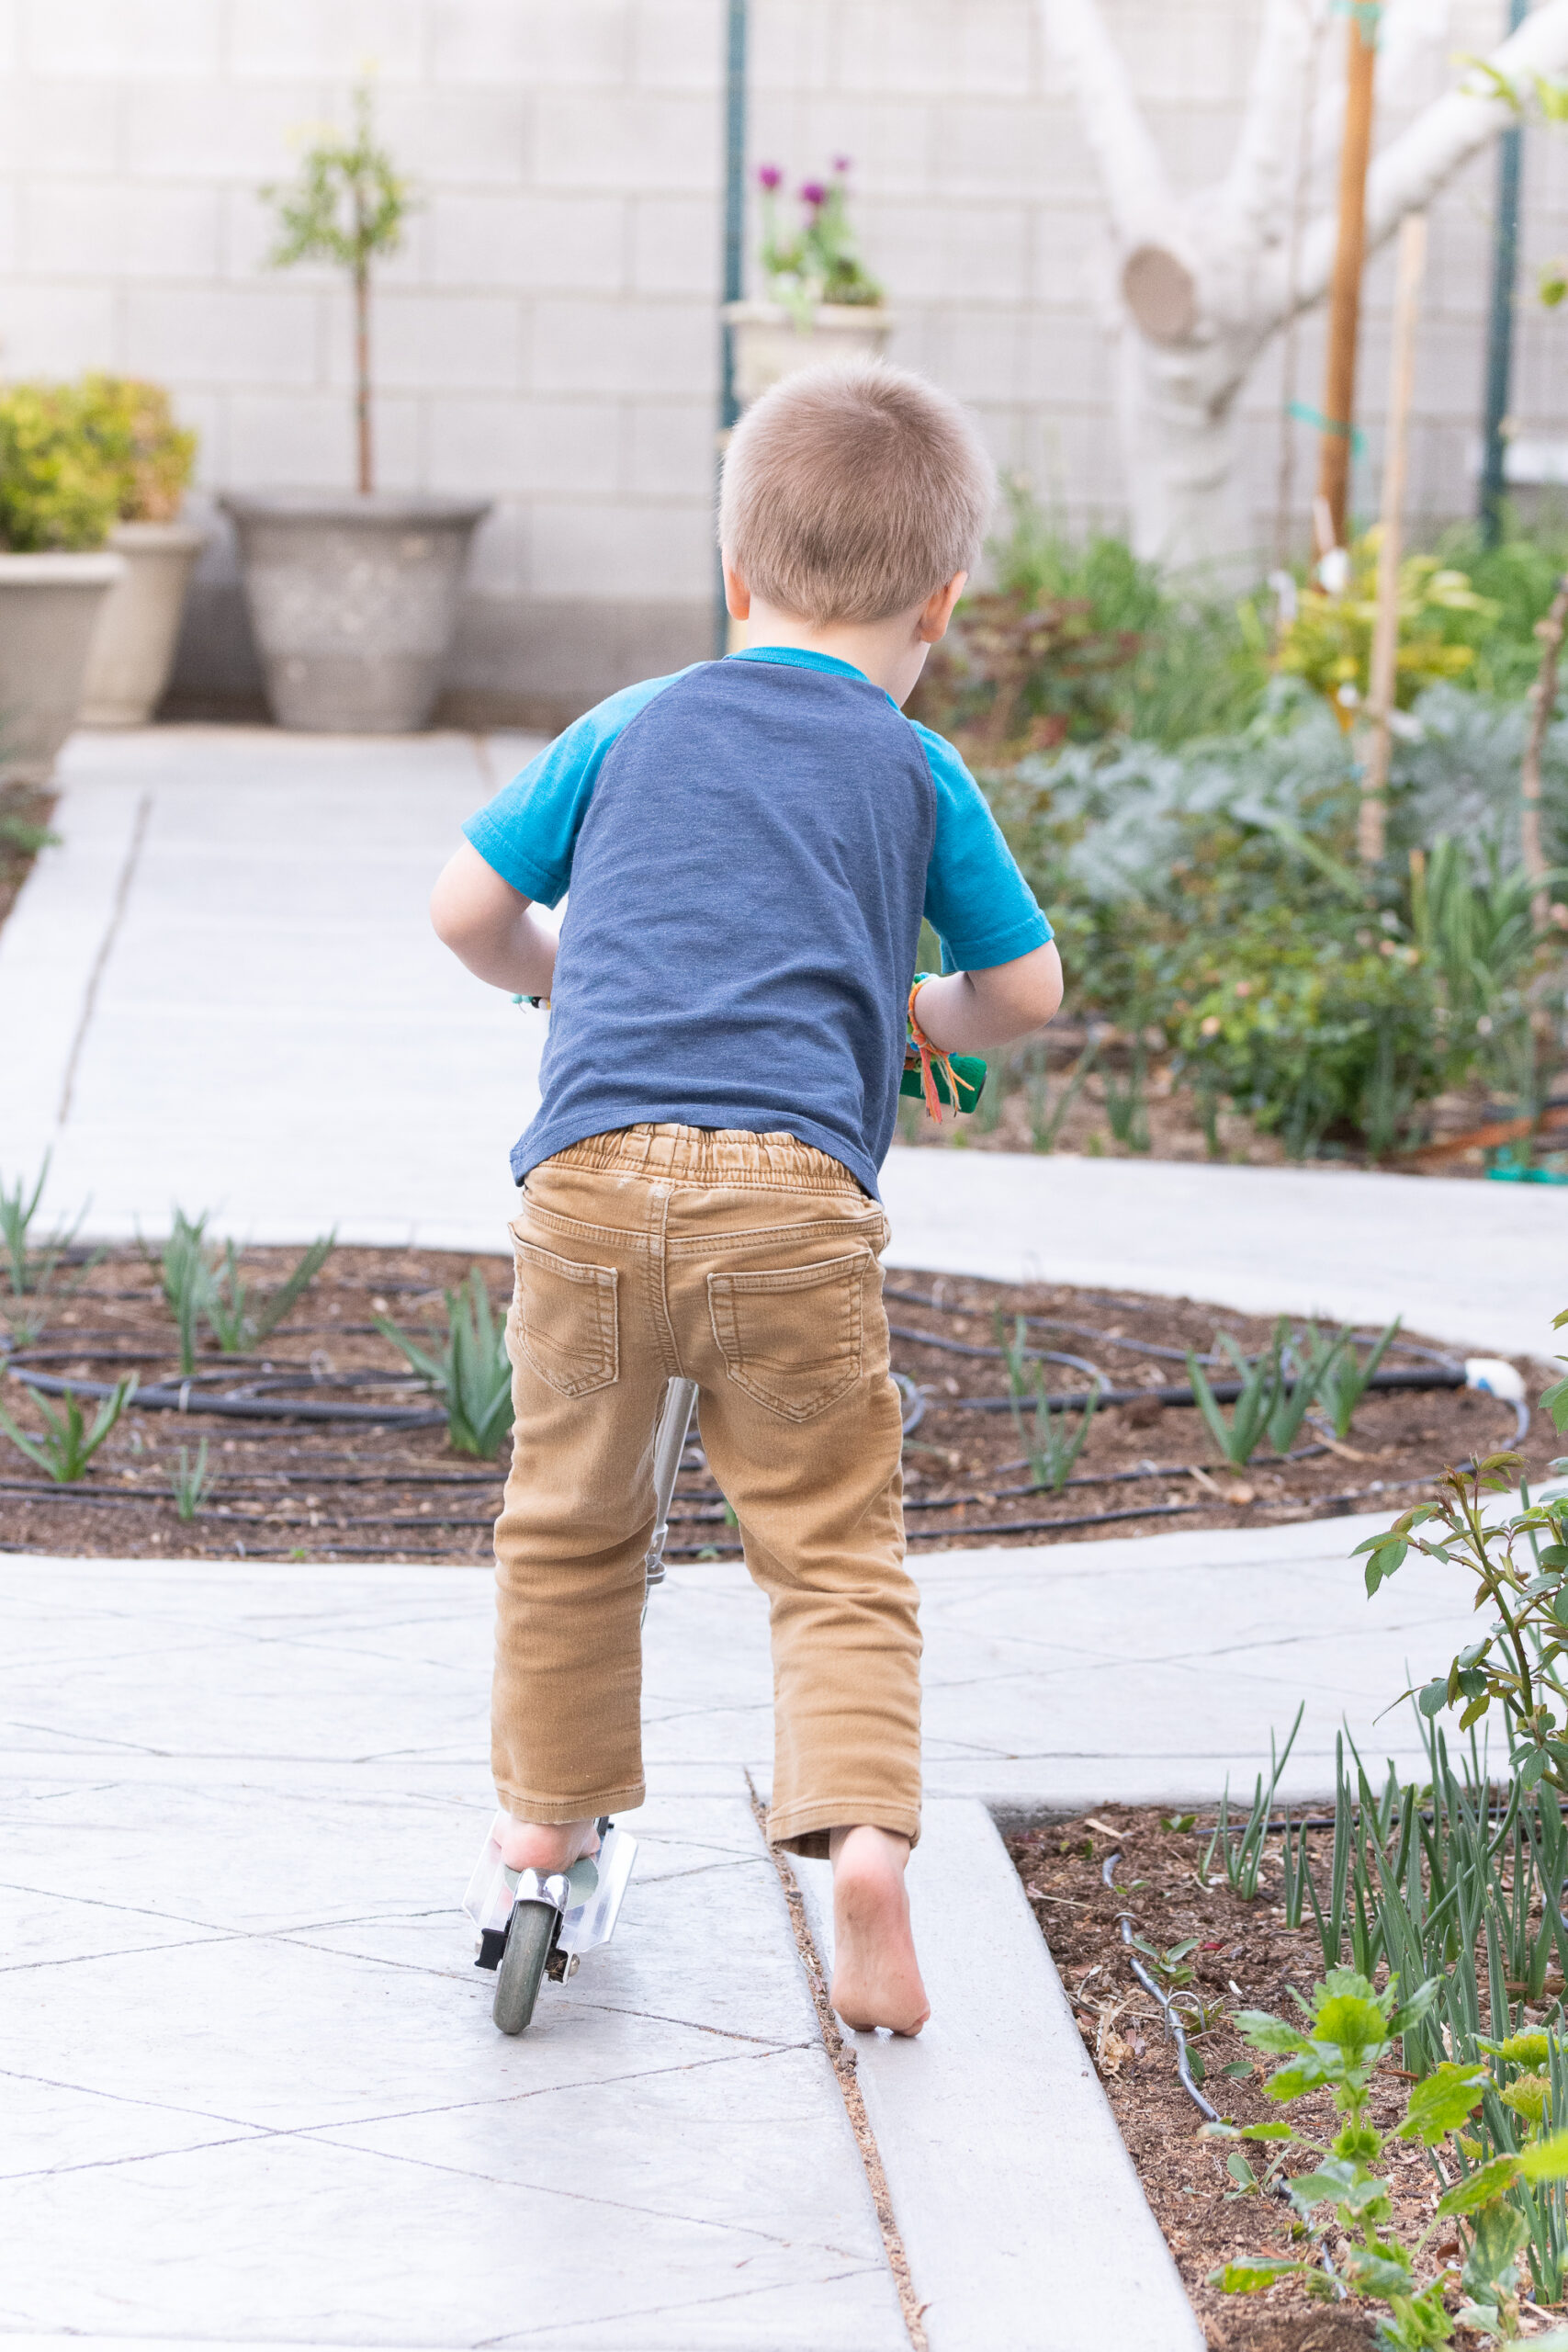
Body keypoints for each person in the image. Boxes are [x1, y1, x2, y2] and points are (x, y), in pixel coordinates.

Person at [430, 360, 1062, 2036]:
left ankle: (539, 1828)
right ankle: (858, 1845)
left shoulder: (630, 725)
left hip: (590, 1190)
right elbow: (1025, 991)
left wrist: (560, 979)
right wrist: (909, 1021)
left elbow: (464, 910)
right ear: (942, 604)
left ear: (733, 581)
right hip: (795, 1206)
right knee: (833, 1547)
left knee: (568, 1522)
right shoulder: (919, 770)